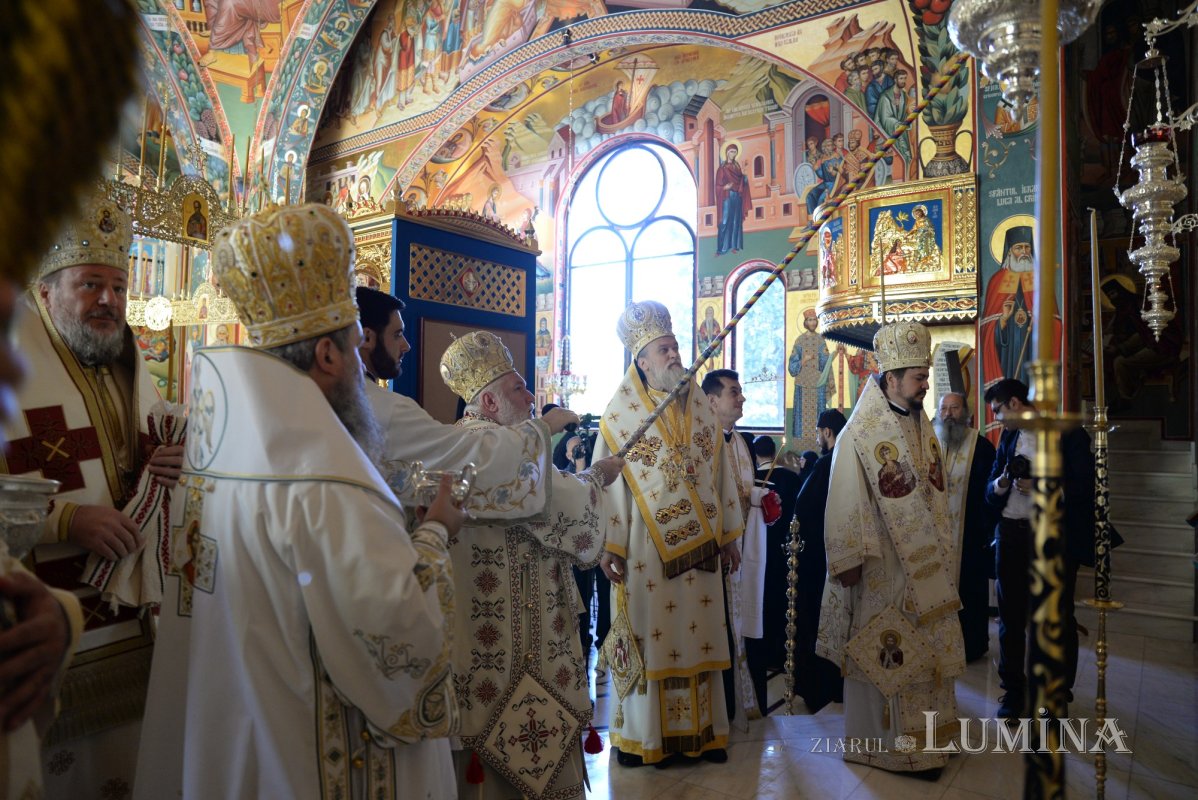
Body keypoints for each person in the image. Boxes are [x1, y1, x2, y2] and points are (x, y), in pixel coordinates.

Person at [140, 202, 468, 798]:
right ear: (328, 357)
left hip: (239, 741)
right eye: (353, 348)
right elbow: (396, 643)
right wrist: (435, 533)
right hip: (312, 760)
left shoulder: (221, 454)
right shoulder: (327, 477)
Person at [1, 190, 184, 795]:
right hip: (41, 629)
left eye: (118, 286)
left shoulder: (130, 368)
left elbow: (148, 467)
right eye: (89, 284)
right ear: (46, 292)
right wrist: (66, 520)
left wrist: (175, 468)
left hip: (132, 629)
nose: (109, 300)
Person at [438, 331, 624, 799]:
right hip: (526, 641)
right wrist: (598, 477)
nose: (530, 397)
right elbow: (564, 505)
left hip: (482, 641)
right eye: (519, 388)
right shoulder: (499, 450)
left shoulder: (458, 445)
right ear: (490, 401)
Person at [594, 300, 743, 767]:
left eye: (676, 347)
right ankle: (643, 739)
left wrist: (730, 534)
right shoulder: (619, 415)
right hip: (645, 553)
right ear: (641, 360)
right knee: (651, 639)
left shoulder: (699, 402)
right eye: (664, 349)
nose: (675, 355)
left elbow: (718, 473)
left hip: (701, 552)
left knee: (701, 637)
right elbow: (609, 483)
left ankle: (704, 734)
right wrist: (608, 545)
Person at [816, 321, 963, 776]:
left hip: (925, 569)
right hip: (883, 570)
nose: (924, 386)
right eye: (918, 378)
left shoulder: (923, 427)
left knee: (928, 656)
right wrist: (847, 561)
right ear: (890, 379)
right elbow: (842, 503)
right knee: (892, 657)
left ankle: (931, 743)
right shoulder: (858, 435)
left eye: (925, 377)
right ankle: (889, 749)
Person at [983, 378, 1096, 720]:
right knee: (1011, 619)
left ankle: (1054, 696)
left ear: (1015, 403)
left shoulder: (1068, 434)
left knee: (1055, 619)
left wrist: (1042, 485)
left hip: (1051, 538)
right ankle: (1014, 694)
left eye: (999, 411)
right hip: (1011, 534)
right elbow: (989, 490)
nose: (997, 420)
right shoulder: (1009, 437)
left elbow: (1085, 484)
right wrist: (1003, 483)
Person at [702, 369, 765, 717]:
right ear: (712, 401)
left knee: (738, 623)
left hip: (739, 546)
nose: (741, 398)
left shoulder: (739, 440)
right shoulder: (701, 440)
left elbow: (740, 489)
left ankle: (737, 701)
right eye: (734, 392)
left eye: (741, 392)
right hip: (715, 551)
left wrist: (761, 497)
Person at [980, 225, 1062, 436]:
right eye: (1018, 248)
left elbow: (1056, 323)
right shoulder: (997, 281)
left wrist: (1041, 321)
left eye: (1027, 247)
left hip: (1033, 355)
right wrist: (1003, 323)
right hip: (1007, 357)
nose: (1024, 252)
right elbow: (987, 330)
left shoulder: (1041, 281)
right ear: (1009, 251)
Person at [935, 391, 997, 663]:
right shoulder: (928, 444)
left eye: (954, 408)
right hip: (934, 538)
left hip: (969, 537)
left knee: (970, 591)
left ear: (966, 412)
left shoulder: (982, 447)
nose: (948, 413)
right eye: (944, 408)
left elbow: (988, 495)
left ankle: (970, 645)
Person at [792, 409, 846, 712]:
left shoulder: (828, 462)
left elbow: (803, 507)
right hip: (841, 554)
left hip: (818, 558)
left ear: (826, 432)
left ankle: (817, 686)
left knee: (816, 619)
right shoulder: (848, 458)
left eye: (817, 432)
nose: (817, 438)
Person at [753, 435, 802, 670]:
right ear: (773, 452)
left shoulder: (751, 480)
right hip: (786, 549)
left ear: (755, 455)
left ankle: (762, 649)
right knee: (783, 597)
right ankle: (781, 649)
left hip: (758, 549)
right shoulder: (791, 477)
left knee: (761, 598)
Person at [788, 308, 828, 439]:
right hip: (802, 382)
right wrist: (803, 360)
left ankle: (820, 441)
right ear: (805, 322)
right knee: (802, 415)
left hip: (817, 382)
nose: (813, 323)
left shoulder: (821, 340)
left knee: (818, 413)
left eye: (815, 320)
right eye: (810, 320)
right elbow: (792, 366)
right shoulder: (799, 341)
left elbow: (824, 361)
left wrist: (829, 358)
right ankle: (801, 442)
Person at [715, 144, 752, 255]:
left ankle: (734, 246)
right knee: (725, 221)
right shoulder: (722, 168)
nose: (733, 154)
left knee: (736, 221)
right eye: (731, 151)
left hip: (737, 196)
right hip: (727, 196)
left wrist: (744, 176)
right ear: (727, 153)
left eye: (735, 152)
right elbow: (717, 185)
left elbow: (741, 180)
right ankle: (721, 248)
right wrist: (724, 187)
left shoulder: (737, 167)